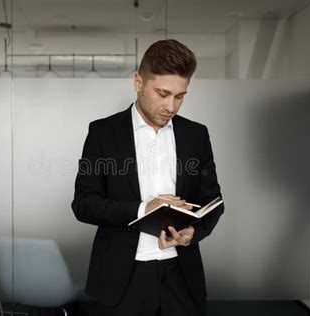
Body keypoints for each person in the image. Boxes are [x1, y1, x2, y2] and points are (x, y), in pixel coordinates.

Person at [71, 39, 224, 316]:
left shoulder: (196, 135)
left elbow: (213, 201)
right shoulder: (103, 133)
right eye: (162, 93)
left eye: (180, 96)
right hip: (120, 280)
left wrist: (192, 233)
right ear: (138, 82)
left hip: (182, 278)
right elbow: (83, 203)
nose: (171, 106)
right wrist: (144, 208)